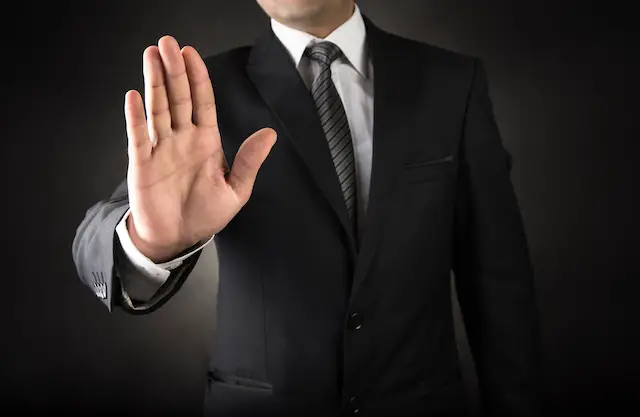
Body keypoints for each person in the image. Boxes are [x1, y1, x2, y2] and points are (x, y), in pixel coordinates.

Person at [72, 0, 545, 415]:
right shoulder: (204, 92)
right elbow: (96, 241)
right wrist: (150, 243)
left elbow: (499, 283)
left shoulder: (452, 82)